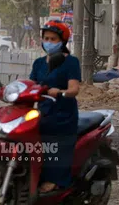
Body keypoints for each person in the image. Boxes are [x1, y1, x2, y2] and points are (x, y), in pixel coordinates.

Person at [29, 20, 81, 193]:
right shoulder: (38, 63)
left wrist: (59, 92)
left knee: (53, 142)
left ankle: (55, 180)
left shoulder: (71, 62)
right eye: (46, 38)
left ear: (62, 41)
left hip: (63, 114)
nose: (49, 42)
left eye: (53, 39)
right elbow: (31, 85)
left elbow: (74, 89)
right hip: (43, 111)